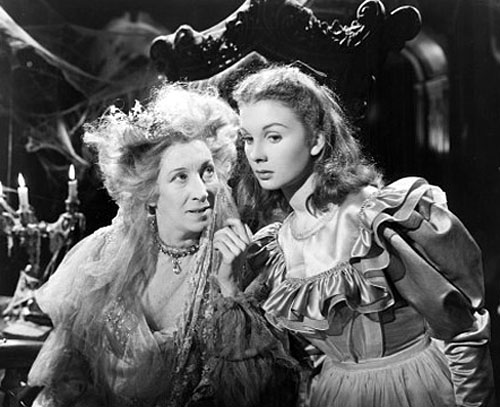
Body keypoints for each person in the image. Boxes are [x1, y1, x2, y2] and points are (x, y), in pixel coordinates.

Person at [218, 65, 494, 407]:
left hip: (414, 389)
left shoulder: (376, 220)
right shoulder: (276, 246)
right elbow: (287, 359)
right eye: (248, 138)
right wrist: (229, 285)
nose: (257, 154)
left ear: (316, 140)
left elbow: (461, 329)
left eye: (273, 137)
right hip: (335, 393)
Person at [27, 84, 300, 407]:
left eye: (207, 172)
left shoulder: (243, 259)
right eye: (180, 177)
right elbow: (72, 376)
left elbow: (258, 392)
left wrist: (229, 288)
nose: (201, 192)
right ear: (150, 193)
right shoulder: (103, 255)